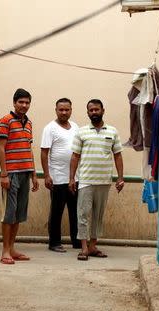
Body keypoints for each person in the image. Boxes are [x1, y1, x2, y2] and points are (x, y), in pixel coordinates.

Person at [69, 99, 124, 261]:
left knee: (98, 216)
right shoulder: (81, 132)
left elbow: (118, 155)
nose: (94, 112)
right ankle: (84, 248)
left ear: (103, 110)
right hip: (86, 180)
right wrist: (71, 178)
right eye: (91, 110)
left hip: (104, 180)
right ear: (87, 112)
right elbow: (75, 156)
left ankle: (93, 246)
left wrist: (120, 177)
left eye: (96, 110)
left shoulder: (112, 131)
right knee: (83, 214)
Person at [0, 88, 39, 264]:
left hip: (25, 173)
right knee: (8, 214)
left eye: (27, 102)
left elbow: (29, 150)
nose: (24, 105)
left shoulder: (28, 123)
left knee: (19, 213)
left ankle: (12, 248)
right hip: (11, 174)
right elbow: (1, 148)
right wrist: (4, 174)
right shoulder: (5, 121)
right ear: (14, 103)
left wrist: (34, 175)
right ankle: (5, 251)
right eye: (21, 102)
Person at [41, 98, 82, 252]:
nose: (64, 112)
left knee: (75, 211)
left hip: (74, 178)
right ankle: (54, 243)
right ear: (56, 110)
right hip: (57, 178)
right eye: (61, 110)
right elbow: (44, 153)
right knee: (57, 212)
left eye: (67, 110)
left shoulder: (76, 127)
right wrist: (46, 175)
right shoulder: (50, 128)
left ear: (71, 110)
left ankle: (76, 241)